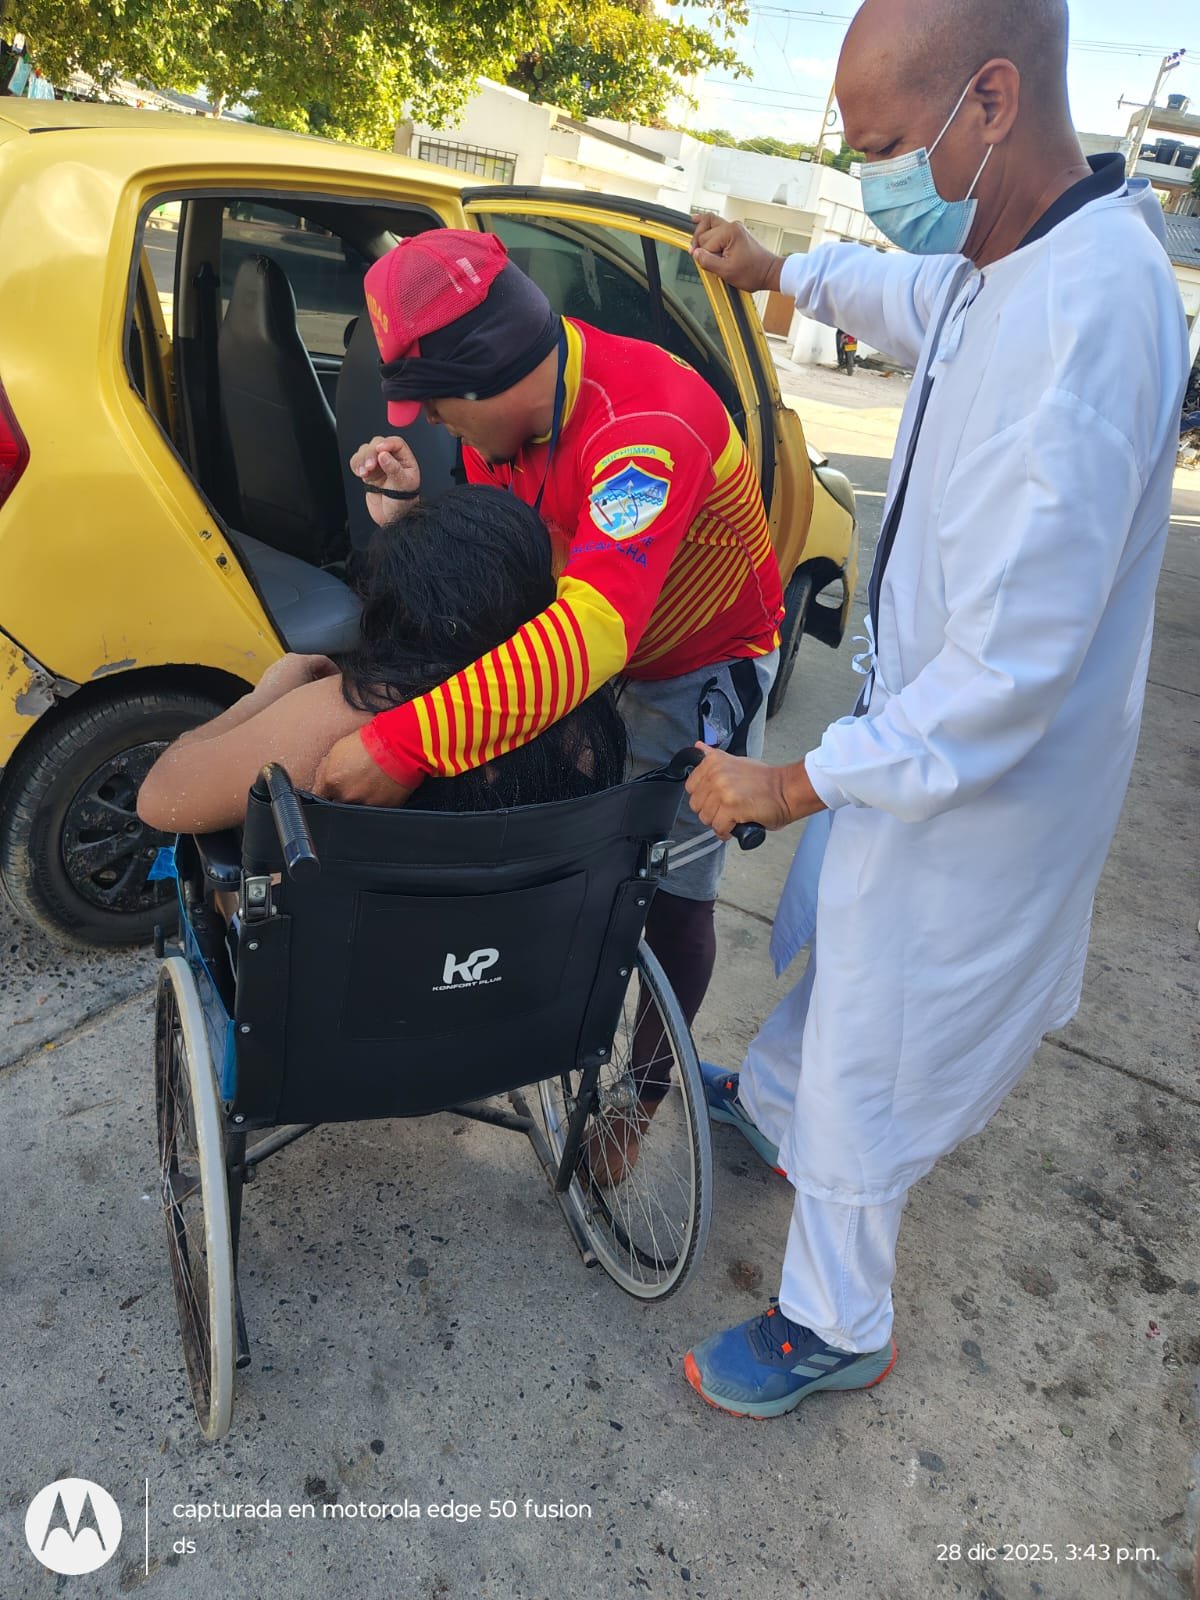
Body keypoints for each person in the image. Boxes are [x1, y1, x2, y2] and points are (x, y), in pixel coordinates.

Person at [679, 0, 1190, 1419]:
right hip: (913, 738)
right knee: (839, 948)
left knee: (878, 1044)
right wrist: (784, 267)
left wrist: (788, 786)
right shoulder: (1004, 252)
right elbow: (902, 295)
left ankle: (836, 1320)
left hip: (984, 784)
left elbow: (1010, 676)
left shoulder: (1092, 320)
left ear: (995, 100)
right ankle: (770, 1113)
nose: (874, 175)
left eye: (889, 144)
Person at [313, 229, 784, 1178]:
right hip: (592, 649)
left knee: (672, 905)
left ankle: (641, 1101)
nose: (436, 427)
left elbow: (593, 632)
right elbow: (528, 559)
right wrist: (417, 509)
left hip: (697, 667)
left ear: (488, 379)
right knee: (562, 866)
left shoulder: (643, 424)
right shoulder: (522, 416)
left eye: (439, 406)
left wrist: (406, 744)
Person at [136, 487, 627, 834]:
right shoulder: (581, 713)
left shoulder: (340, 718)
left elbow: (161, 798)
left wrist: (264, 695)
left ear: (397, 608)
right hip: (525, 958)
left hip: (359, 965)